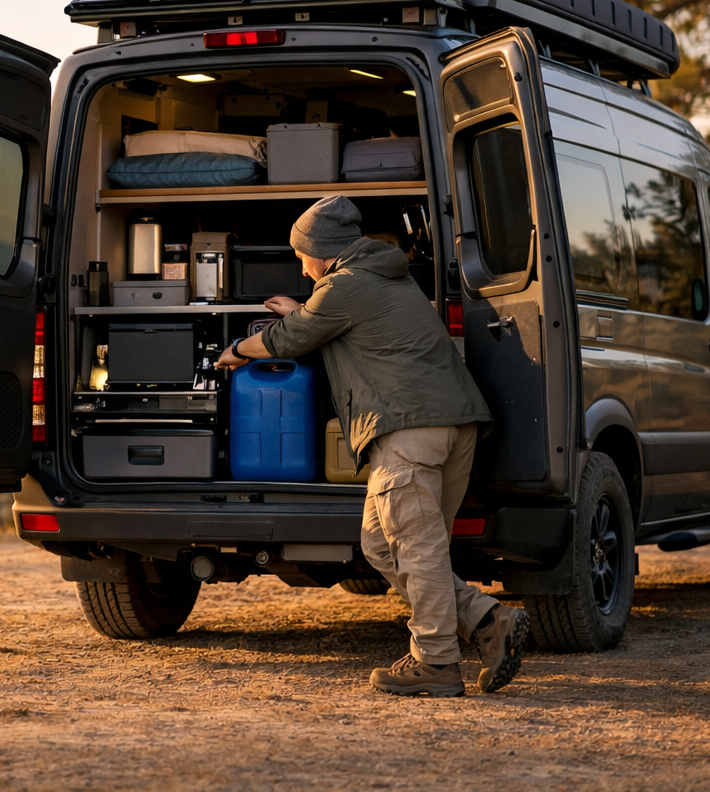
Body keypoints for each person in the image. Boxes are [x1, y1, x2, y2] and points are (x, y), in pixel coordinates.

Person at [215, 196, 529, 697]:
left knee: (416, 549)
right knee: (384, 545)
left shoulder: (344, 286)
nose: (301, 264)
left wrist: (235, 352)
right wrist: (305, 311)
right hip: (450, 424)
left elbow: (292, 338)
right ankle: (487, 622)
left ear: (321, 252)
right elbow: (335, 324)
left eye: (302, 255)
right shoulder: (384, 278)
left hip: (409, 429)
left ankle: (436, 662)